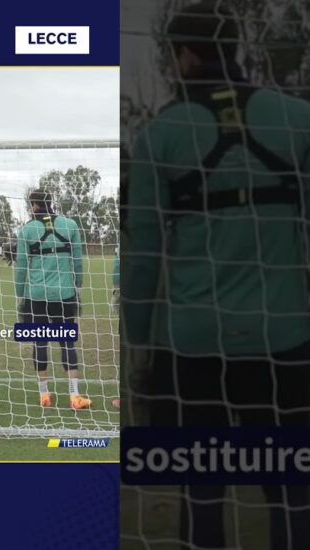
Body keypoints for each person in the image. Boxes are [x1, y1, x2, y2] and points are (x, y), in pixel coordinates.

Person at [123, 2, 310, 548]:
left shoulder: (161, 134)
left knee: (202, 488)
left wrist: (140, 347)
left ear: (183, 55)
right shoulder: (298, 119)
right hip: (283, 340)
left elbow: (143, 257)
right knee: (291, 486)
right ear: (234, 48)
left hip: (193, 346)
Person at [15, 189, 91, 410]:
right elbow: (78, 261)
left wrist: (20, 294)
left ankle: (44, 395)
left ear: (33, 205)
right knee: (67, 342)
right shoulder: (71, 225)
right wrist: (77, 285)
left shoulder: (27, 230)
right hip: (64, 294)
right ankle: (74, 396)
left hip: (36, 296)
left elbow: (21, 267)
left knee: (40, 342)